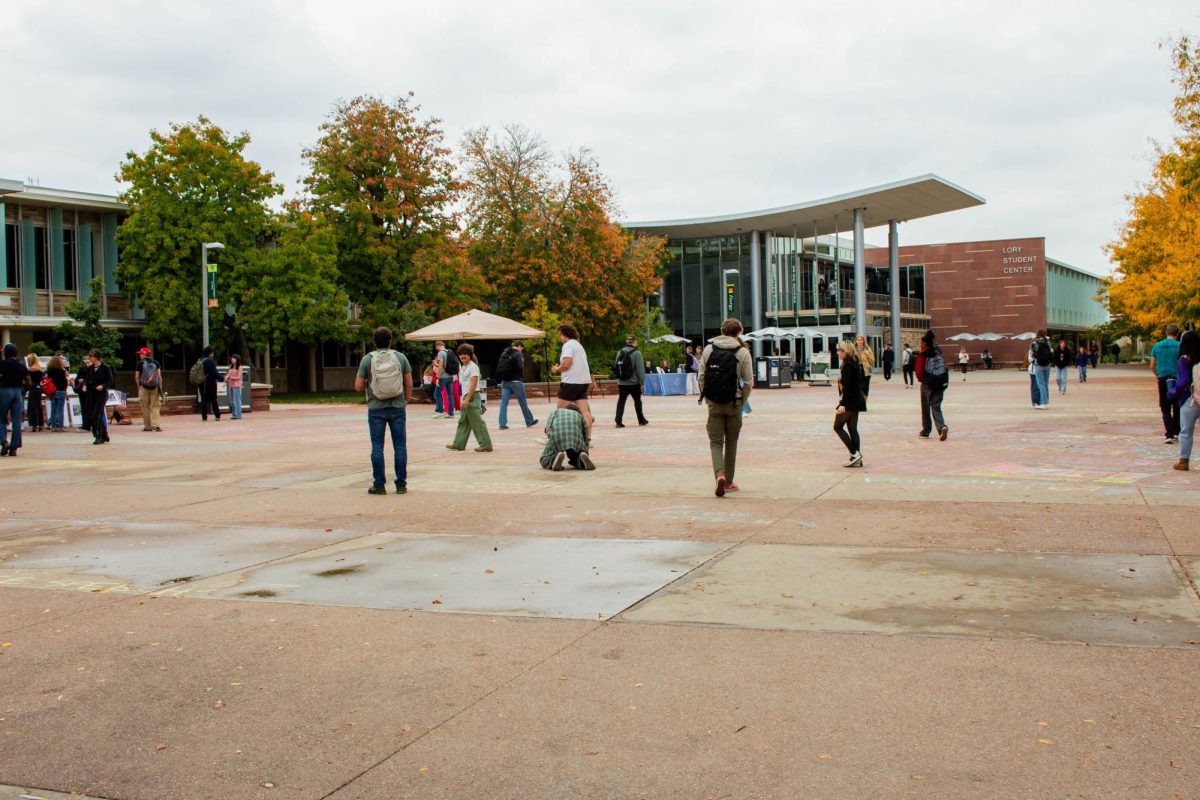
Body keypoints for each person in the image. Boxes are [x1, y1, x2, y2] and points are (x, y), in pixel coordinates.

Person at [355, 326, 413, 495]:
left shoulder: (368, 359)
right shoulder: (400, 358)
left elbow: (358, 386)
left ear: (374, 341)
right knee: (400, 446)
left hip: (376, 409)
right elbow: (409, 383)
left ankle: (379, 485)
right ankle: (401, 484)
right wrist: (405, 401)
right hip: (397, 407)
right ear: (390, 340)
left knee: (377, 447)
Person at [699, 318, 754, 497]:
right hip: (733, 403)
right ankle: (729, 481)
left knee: (716, 442)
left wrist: (707, 397)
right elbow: (748, 382)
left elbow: (701, 377)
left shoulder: (709, 349)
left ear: (722, 330)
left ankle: (719, 474)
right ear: (739, 332)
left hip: (714, 403)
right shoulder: (743, 352)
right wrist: (741, 400)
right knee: (731, 443)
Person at [446, 343, 492, 453]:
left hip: (472, 397)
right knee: (463, 421)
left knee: (477, 422)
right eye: (461, 355)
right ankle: (458, 444)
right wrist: (463, 398)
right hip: (466, 396)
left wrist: (467, 400)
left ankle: (486, 445)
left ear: (470, 355)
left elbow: (474, 384)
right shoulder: (463, 367)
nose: (462, 356)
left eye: (465, 354)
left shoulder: (473, 367)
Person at [551, 323, 593, 440]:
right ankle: (588, 436)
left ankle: (553, 436)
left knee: (560, 411)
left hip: (570, 382)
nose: (560, 338)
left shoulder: (568, 345)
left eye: (560, 335)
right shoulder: (579, 345)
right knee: (584, 411)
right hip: (583, 382)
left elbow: (567, 363)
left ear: (565, 334)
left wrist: (557, 369)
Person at [1167, 330, 1200, 471]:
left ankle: (1184, 461)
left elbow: (1184, 380)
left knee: (1186, 431)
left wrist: (1173, 391)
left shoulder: (1184, 359)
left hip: (1189, 399)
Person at [834, 339, 866, 467]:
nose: (837, 353)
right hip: (855, 400)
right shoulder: (852, 363)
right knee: (852, 429)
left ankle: (854, 453)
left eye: (839, 350)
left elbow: (847, 388)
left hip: (851, 401)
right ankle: (856, 457)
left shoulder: (848, 366)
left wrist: (842, 404)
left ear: (845, 352)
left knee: (837, 426)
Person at [1150, 324, 1182, 444]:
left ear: (1166, 332)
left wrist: (1158, 374)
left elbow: (1152, 365)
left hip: (1163, 379)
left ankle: (1169, 434)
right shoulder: (1180, 346)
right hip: (1177, 379)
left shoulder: (1157, 346)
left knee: (1165, 407)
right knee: (1177, 406)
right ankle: (1176, 432)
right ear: (1178, 333)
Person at [496, 340, 538, 431]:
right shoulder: (518, 354)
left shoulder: (505, 352)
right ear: (519, 346)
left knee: (504, 403)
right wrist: (520, 376)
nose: (521, 350)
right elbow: (520, 367)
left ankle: (502, 424)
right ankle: (529, 421)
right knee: (523, 402)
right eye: (521, 348)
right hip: (516, 381)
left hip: (505, 381)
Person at [540, 402, 594, 471]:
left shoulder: (556, 412)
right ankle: (580, 458)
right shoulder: (579, 415)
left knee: (545, 458)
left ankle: (554, 459)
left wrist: (550, 438)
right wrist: (585, 450)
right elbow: (585, 433)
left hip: (557, 436)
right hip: (575, 438)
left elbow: (547, 429)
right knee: (574, 455)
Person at [916, 330, 949, 440]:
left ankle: (926, 430)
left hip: (927, 384)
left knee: (925, 408)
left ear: (924, 343)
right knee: (936, 407)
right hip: (939, 383)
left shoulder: (923, 354)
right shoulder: (937, 353)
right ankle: (941, 427)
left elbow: (919, 372)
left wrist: (922, 379)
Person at [0, 342, 29, 456]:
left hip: (4, 390)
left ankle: (4, 441)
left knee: (1, 418)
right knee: (17, 420)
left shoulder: (2, 364)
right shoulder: (21, 365)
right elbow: (28, 381)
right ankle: (14, 447)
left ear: (6, 353)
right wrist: (24, 390)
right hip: (17, 391)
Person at [614, 334, 649, 428]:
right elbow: (640, 369)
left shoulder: (619, 352)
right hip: (634, 383)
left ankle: (618, 420)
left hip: (622, 382)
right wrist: (642, 383)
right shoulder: (637, 353)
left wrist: (619, 379)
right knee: (637, 401)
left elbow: (616, 367)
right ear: (635, 342)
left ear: (627, 342)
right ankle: (641, 420)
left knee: (621, 400)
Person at [85, 349, 113, 445]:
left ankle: (99, 436)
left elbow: (110, 381)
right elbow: (87, 379)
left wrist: (103, 386)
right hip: (92, 394)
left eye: (91, 356)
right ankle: (104, 434)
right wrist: (85, 385)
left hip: (102, 394)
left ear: (96, 357)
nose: (89, 358)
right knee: (95, 415)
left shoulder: (105, 368)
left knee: (96, 416)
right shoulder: (91, 368)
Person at [134, 347, 164, 432]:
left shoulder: (140, 363)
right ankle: (156, 425)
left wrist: (138, 388)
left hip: (144, 387)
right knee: (155, 407)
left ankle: (147, 427)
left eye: (140, 354)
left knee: (145, 407)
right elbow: (159, 376)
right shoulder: (156, 363)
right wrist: (160, 387)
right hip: (154, 387)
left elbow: (136, 376)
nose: (140, 355)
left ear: (144, 354)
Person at [432, 340, 457, 420]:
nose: (437, 349)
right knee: (450, 394)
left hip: (443, 377)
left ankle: (440, 411)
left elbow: (440, 366)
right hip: (450, 376)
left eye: (436, 347)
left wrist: (438, 378)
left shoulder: (441, 353)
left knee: (437, 393)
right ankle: (451, 413)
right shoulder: (450, 352)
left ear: (438, 346)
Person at [46, 354, 68, 432]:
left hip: (52, 391)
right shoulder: (61, 371)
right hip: (61, 390)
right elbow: (65, 382)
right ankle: (60, 426)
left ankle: (53, 426)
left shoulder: (49, 371)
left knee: (53, 409)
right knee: (60, 409)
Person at [1032, 329, 1053, 407]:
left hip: (1039, 365)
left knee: (1041, 384)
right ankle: (1046, 400)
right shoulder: (1048, 342)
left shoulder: (1034, 342)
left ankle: (1043, 402)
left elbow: (1033, 354)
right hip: (1047, 365)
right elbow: (1051, 352)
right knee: (1046, 383)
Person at [24, 353, 45, 432]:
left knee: (33, 406)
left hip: (33, 387)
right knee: (38, 406)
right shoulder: (39, 368)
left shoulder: (31, 369)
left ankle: (34, 424)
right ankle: (41, 424)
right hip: (39, 387)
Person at [225, 354, 245, 419]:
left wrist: (230, 377)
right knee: (232, 400)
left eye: (234, 358)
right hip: (231, 385)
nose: (232, 359)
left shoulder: (240, 367)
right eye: (232, 358)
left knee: (237, 400)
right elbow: (228, 374)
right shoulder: (231, 366)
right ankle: (234, 414)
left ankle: (238, 415)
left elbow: (239, 377)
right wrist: (226, 377)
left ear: (237, 359)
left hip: (237, 385)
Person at [856, 335, 874, 402]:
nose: (860, 341)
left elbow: (872, 360)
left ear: (863, 341)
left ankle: (864, 401)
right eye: (858, 340)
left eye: (861, 340)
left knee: (865, 385)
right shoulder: (854, 349)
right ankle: (860, 401)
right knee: (858, 385)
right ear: (856, 341)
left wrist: (867, 354)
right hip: (857, 368)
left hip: (867, 369)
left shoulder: (867, 348)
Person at [1027, 343, 1039, 408]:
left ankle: (1039, 400)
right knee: (1035, 386)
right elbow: (1030, 359)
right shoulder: (1031, 350)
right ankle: (1035, 401)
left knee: (1039, 386)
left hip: (1040, 370)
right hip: (1033, 371)